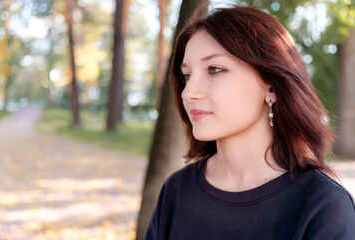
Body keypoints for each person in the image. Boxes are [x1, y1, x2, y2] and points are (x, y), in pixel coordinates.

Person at [145, 5, 355, 240]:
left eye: (214, 69)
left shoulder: (324, 206)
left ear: (272, 86)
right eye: (187, 76)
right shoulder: (177, 190)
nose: (188, 93)